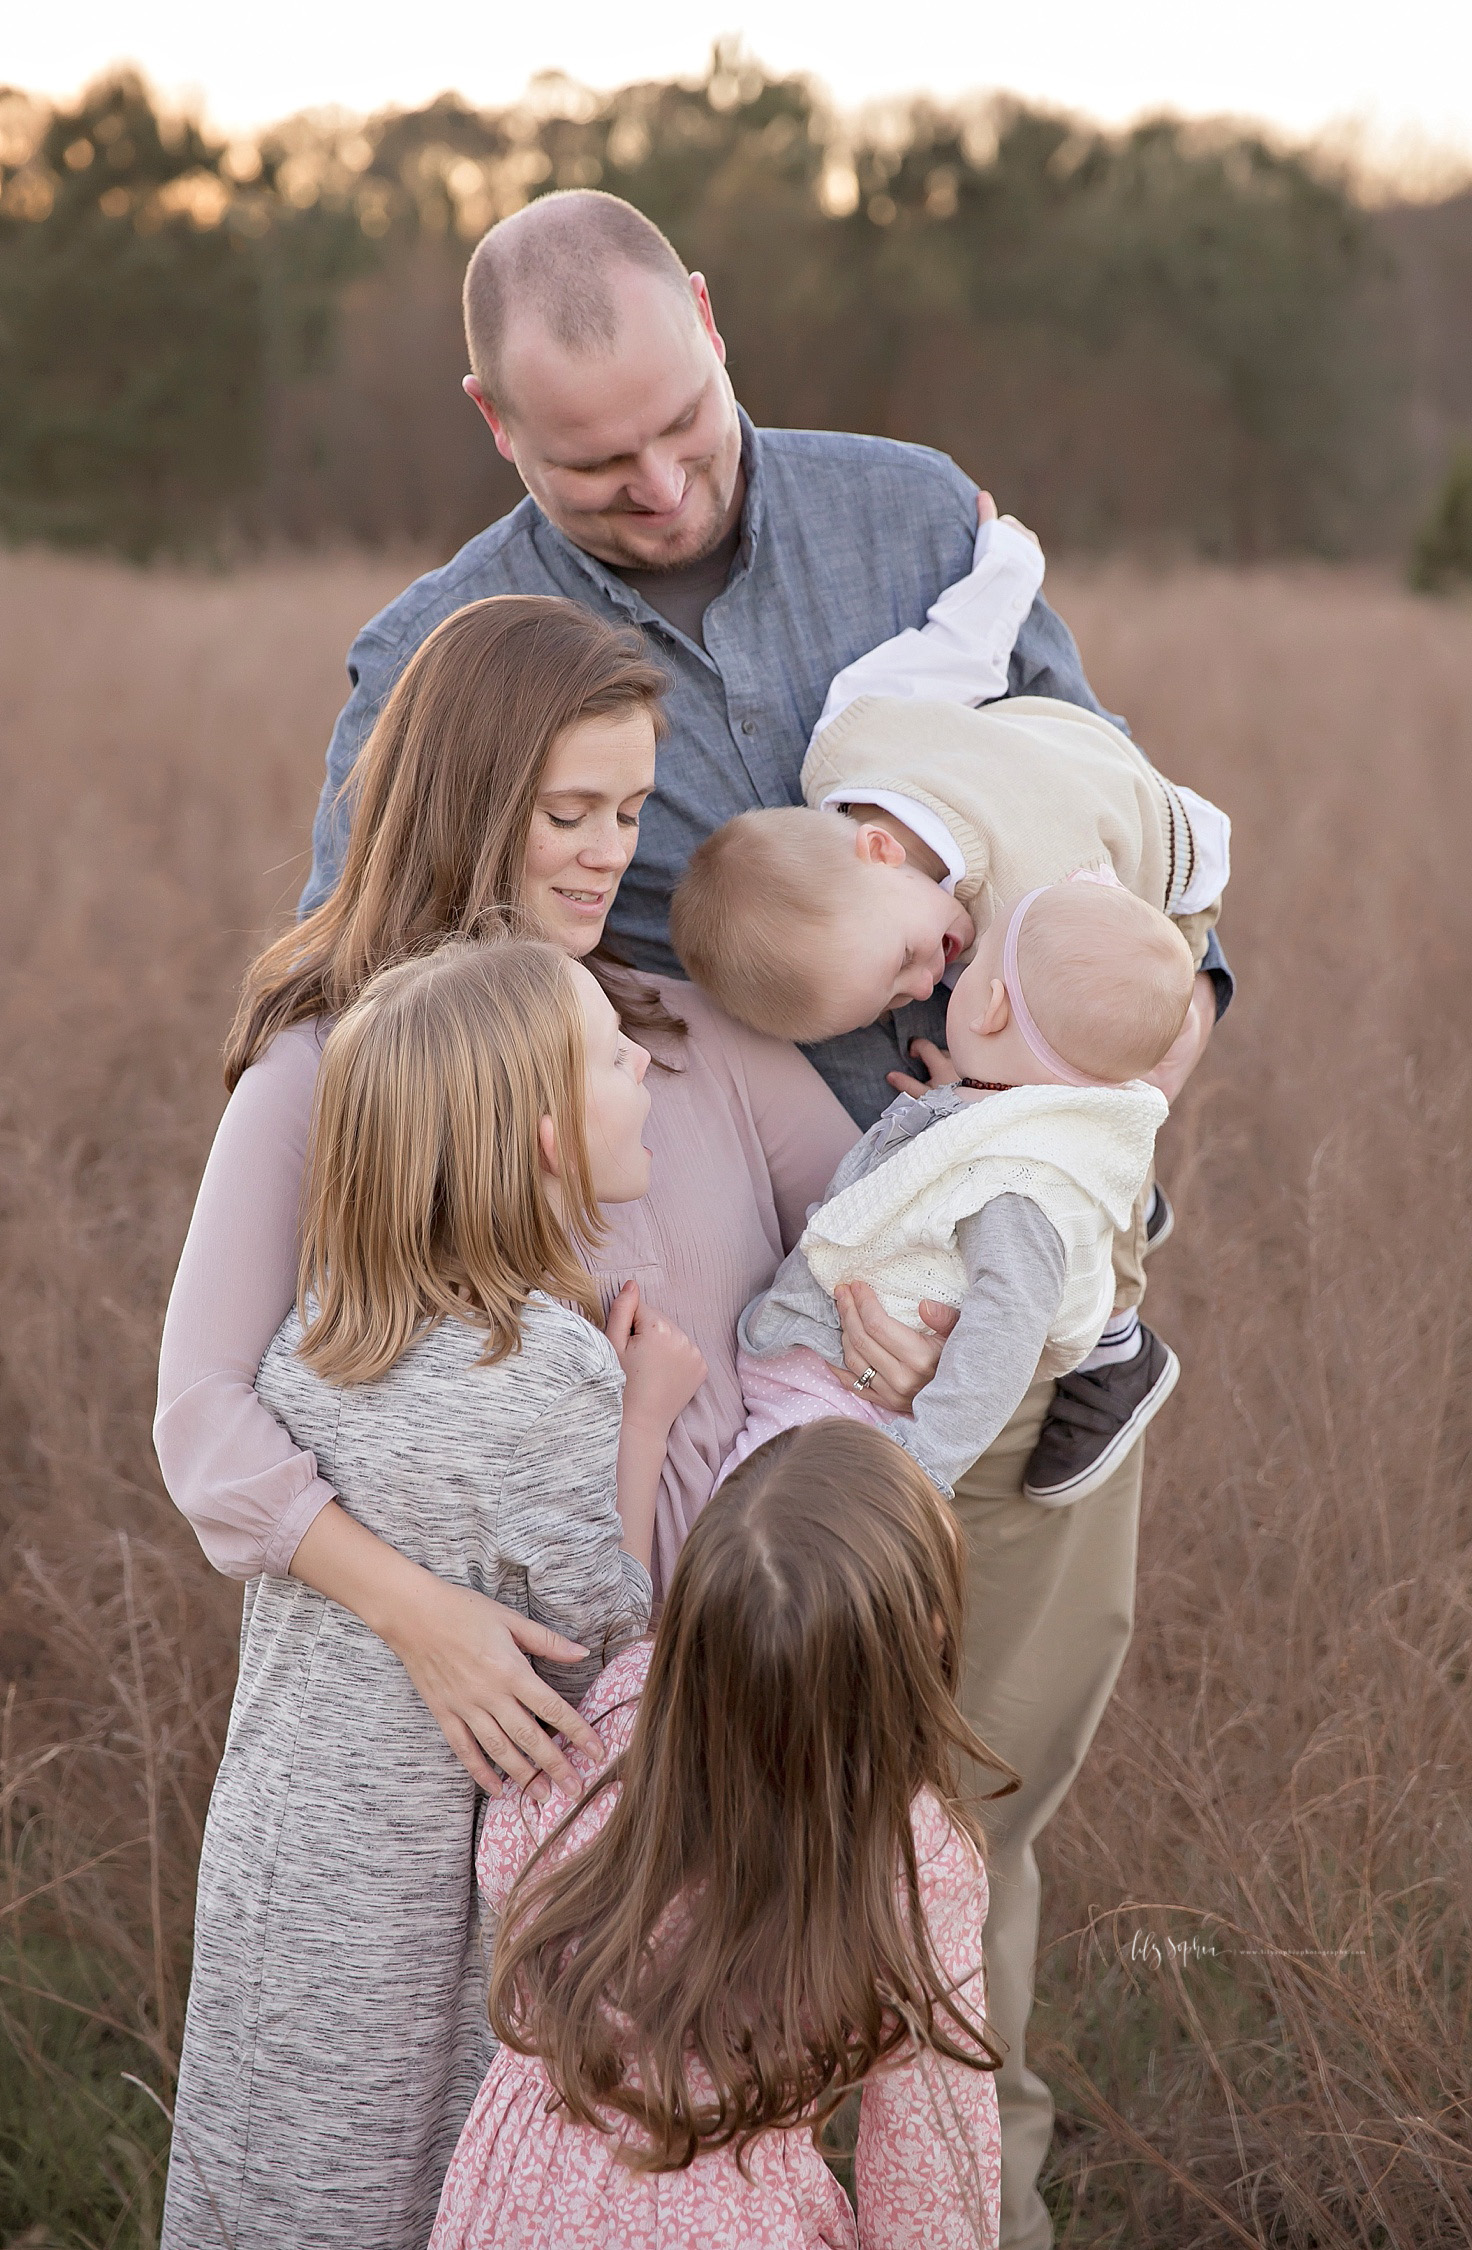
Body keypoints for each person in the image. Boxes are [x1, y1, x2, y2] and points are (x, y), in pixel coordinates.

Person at [290, 191, 1233, 2245]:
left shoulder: (911, 525)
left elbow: (1113, 858)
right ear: (488, 424)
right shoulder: (438, 657)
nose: (658, 483)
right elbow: (365, 1010)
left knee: (952, 1837)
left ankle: (964, 2201)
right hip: (733, 1375)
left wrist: (1095, 1133)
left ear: (713, 324)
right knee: (681, 1826)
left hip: (1007, 1318)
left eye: (684, 425)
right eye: (590, 464)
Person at [156, 594, 945, 1803]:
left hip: (737, 1699)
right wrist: (424, 1620)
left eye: (629, 812)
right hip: (464, 1723)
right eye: (567, 814)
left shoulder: (681, 1034)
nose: (609, 852)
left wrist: (900, 1331)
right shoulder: (328, 1063)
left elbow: (886, 1220)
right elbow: (201, 1421)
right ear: (464, 803)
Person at [163, 939, 707, 2250]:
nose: (646, 1069)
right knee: (386, 2192)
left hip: (278, 1866)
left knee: (256, 2171)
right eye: (614, 1057)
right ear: (545, 1138)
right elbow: (594, 1665)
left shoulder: (323, 1340)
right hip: (408, 1906)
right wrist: (643, 1424)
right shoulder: (543, 1379)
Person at [670, 502, 1230, 1495]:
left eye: (904, 963)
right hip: (1036, 751)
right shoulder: (852, 747)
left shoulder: (1043, 910)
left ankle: (1114, 1339)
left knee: (1094, 1106)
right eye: (897, 993)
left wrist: (1006, 564)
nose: (926, 985)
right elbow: (952, 655)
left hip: (1158, 858)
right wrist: (1007, 564)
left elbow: (962, 644)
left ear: (876, 849)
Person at [430, 1420, 1010, 2250]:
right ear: (923, 1641)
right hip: (730, 2218)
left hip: (520, 2194)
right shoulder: (912, 1856)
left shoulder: (624, 1707)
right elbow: (931, 2172)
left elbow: (506, 1866)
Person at [717, 880, 1191, 1502]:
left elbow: (1007, 1328)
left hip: (839, 1410)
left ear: (988, 1006)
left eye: (975, 966)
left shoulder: (1021, 1188)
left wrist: (923, 1467)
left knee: (745, 1528)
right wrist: (959, 1094)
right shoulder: (1004, 1123)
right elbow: (993, 1126)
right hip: (822, 1384)